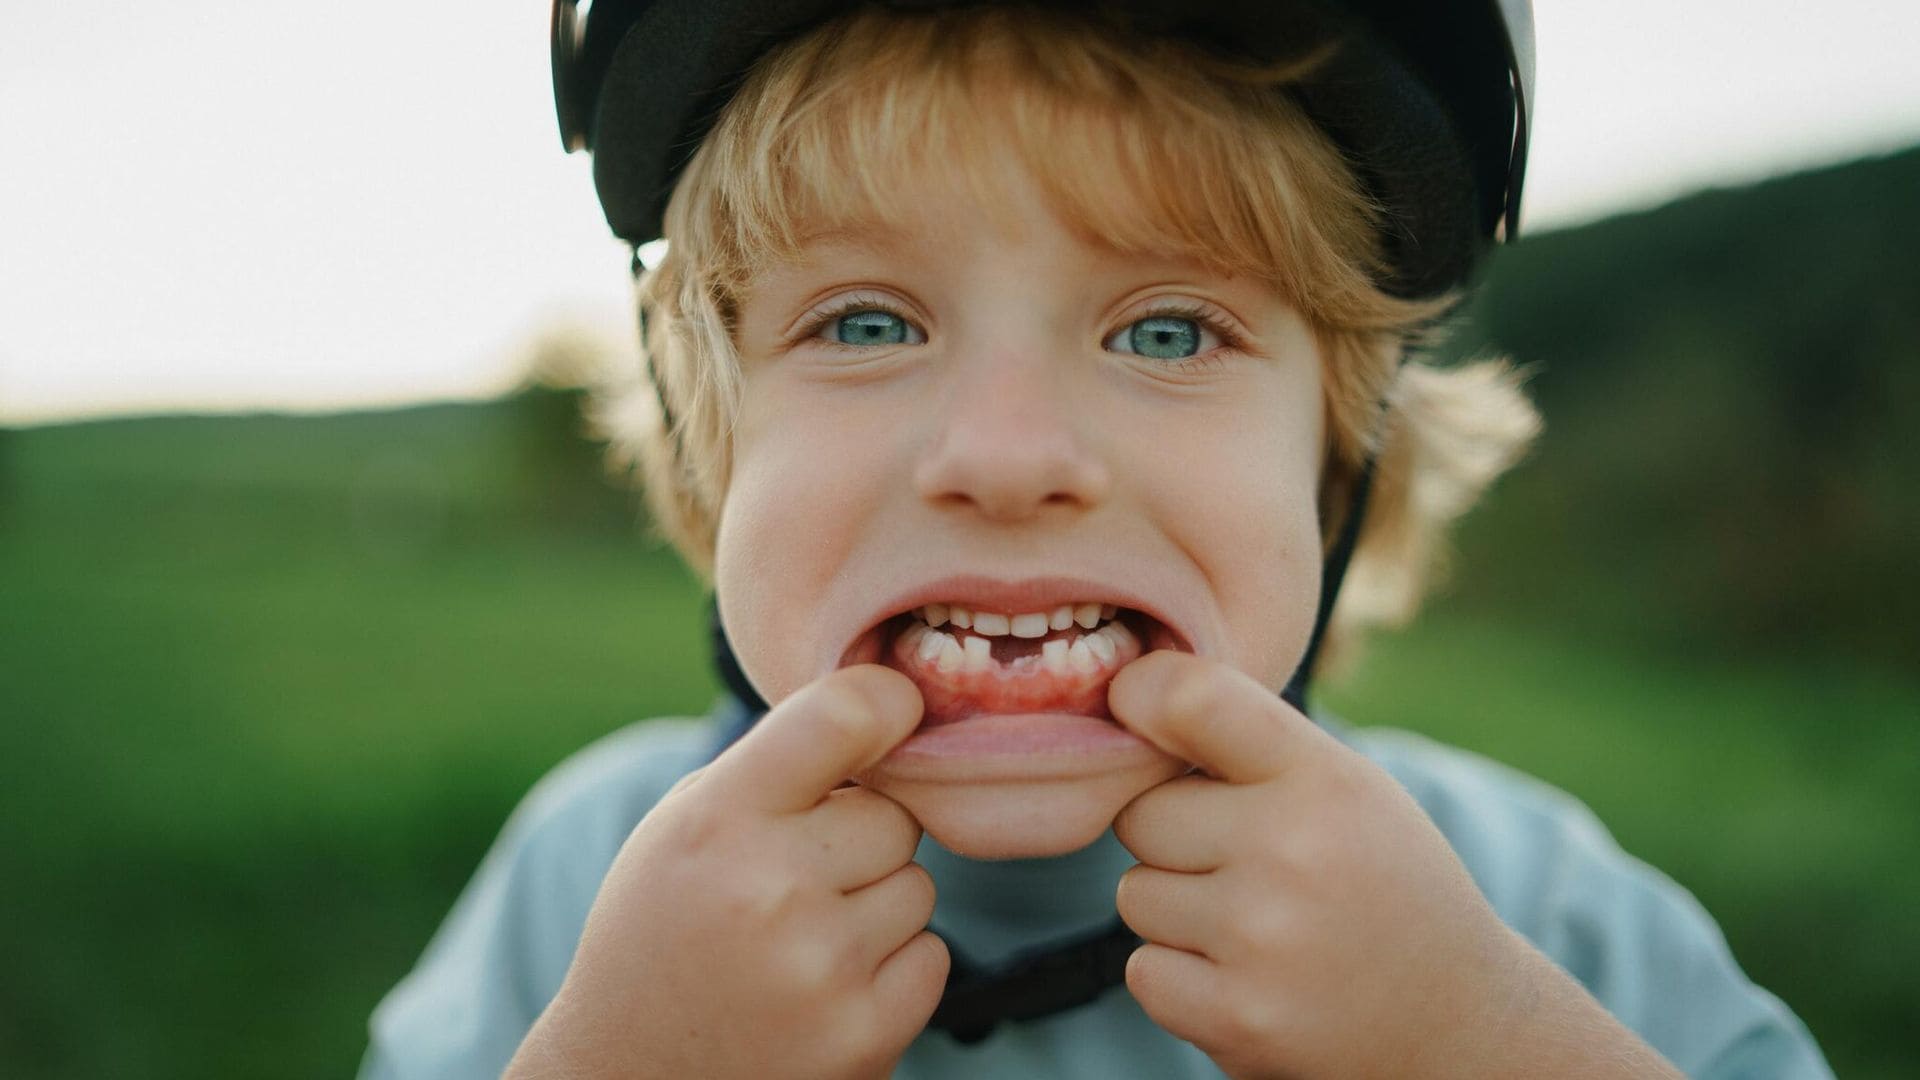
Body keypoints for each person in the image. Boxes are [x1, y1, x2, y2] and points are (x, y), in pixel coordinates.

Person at [362, 2, 1833, 1076]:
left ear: (1341, 466)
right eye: (866, 322)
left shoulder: (1532, 913)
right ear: (707, 449)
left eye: (1170, 329)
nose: (1009, 460)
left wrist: (1488, 1047)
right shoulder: (591, 894)